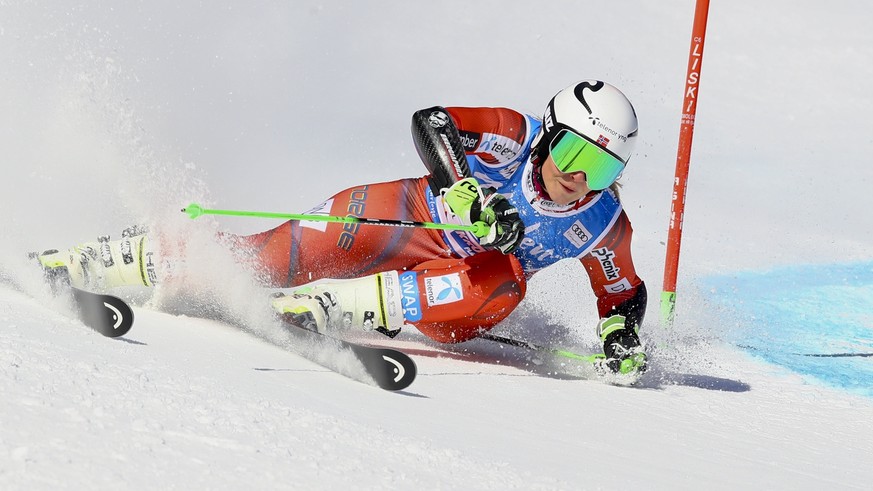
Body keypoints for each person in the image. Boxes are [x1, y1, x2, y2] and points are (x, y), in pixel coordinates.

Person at [35, 80, 648, 376]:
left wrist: (622, 333)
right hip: (402, 217)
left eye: (603, 166)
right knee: (265, 258)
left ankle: (330, 307)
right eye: (573, 154)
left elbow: (622, 291)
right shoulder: (510, 134)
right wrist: (461, 189)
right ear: (547, 132)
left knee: (507, 277)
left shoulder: (599, 221)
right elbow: (432, 121)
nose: (580, 178)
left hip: (458, 295)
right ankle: (102, 259)